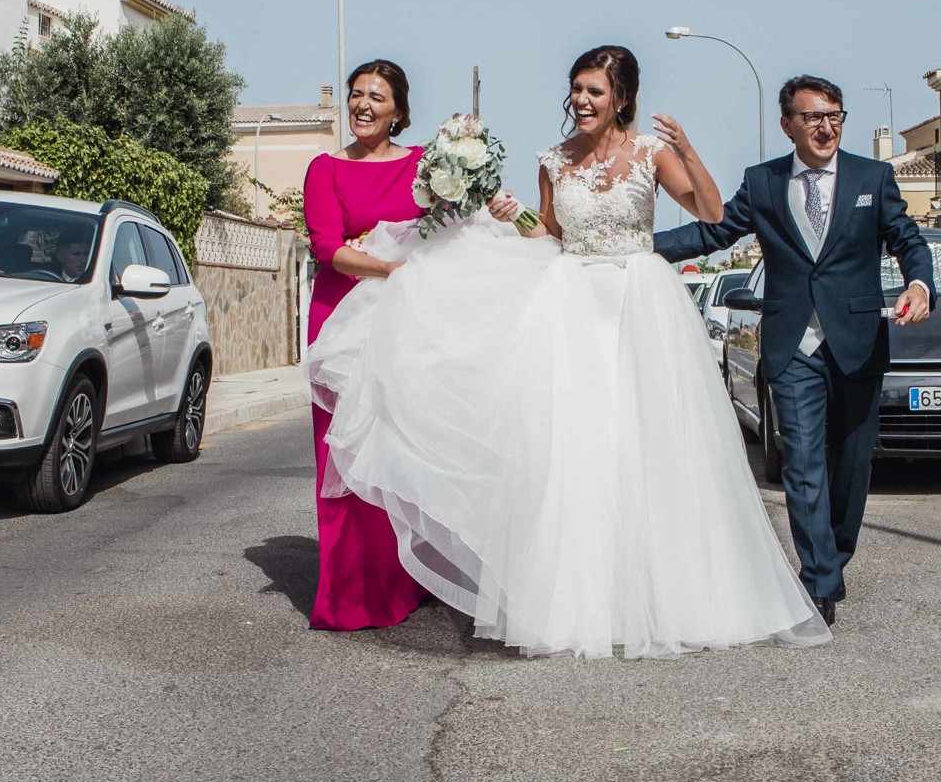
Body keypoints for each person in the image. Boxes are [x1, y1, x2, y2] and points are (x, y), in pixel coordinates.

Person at [308, 46, 830, 658]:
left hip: (642, 300)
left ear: (621, 100)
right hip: (573, 301)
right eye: (576, 90)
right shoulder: (552, 160)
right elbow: (549, 235)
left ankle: (678, 592)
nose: (581, 101)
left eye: (594, 92)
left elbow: (712, 214)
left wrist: (687, 151)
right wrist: (515, 215)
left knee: (653, 443)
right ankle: (586, 599)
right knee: (580, 448)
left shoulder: (650, 154)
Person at [653, 74, 937, 627]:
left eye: (835, 115)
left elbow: (907, 238)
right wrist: (635, 245)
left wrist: (920, 283)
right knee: (803, 464)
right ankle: (819, 583)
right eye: (813, 117)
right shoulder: (762, 183)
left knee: (850, 465)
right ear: (788, 124)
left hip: (857, 341)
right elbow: (714, 233)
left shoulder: (872, 177)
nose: (826, 126)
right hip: (793, 346)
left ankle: (833, 554)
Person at [299, 59, 430, 631]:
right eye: (356, 95)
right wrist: (386, 266)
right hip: (339, 317)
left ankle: (405, 577)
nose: (363, 105)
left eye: (377, 97)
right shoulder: (323, 167)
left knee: (399, 443)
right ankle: (349, 591)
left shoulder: (427, 167)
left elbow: (446, 233)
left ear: (398, 110)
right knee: (342, 450)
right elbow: (328, 247)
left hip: (405, 318)